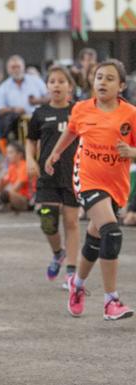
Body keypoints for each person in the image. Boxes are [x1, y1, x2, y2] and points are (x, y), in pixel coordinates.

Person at [46, 59, 136, 321]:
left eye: (109, 78)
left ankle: (77, 285)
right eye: (99, 77)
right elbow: (72, 132)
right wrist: (55, 154)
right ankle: (111, 300)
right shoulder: (82, 109)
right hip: (87, 178)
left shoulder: (130, 114)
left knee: (95, 241)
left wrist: (131, 152)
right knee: (112, 232)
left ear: (120, 85)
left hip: (116, 185)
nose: (102, 82)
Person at [25, 65, 80, 290]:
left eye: (61, 81)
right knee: (48, 220)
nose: (56, 85)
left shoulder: (78, 111)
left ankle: (71, 272)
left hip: (73, 173)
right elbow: (30, 139)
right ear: (47, 86)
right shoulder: (39, 113)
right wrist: (29, 159)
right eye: (52, 81)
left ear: (70, 86)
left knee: (71, 222)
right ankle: (58, 253)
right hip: (47, 174)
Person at [0, 55, 48, 154]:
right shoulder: (3, 87)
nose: (16, 70)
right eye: (13, 67)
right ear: (8, 69)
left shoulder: (36, 81)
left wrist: (38, 100)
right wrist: (14, 109)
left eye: (18, 66)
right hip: (16, 128)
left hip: (39, 123)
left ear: (23, 67)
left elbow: (49, 96)